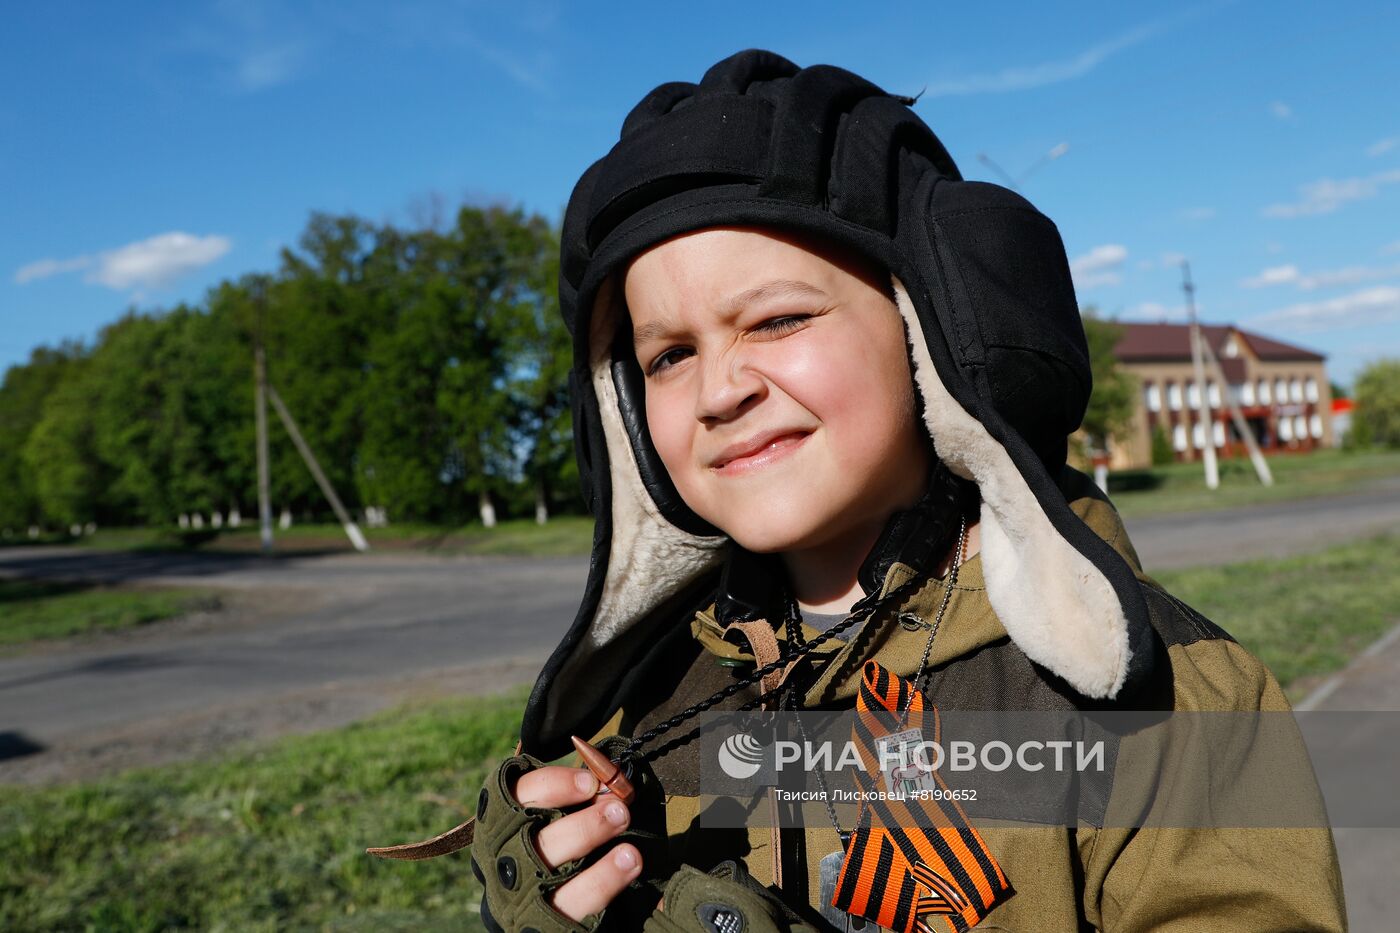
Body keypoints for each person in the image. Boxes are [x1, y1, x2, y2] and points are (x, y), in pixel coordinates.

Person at [372, 50, 1346, 932]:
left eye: (777, 319)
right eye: (667, 356)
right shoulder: (661, 698)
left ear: (932, 335)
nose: (720, 390)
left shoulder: (1152, 703)